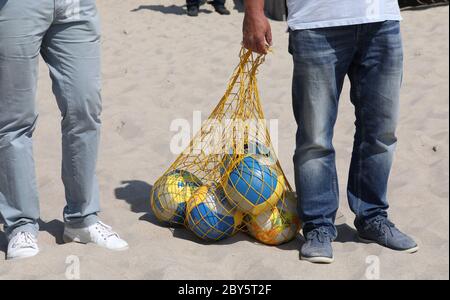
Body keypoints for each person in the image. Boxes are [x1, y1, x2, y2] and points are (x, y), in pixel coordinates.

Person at [242, 0, 418, 263]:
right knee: (315, 137)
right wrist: (254, 12)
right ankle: (319, 226)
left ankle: (372, 217)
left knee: (381, 132)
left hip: (382, 20)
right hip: (316, 22)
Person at [0, 0, 128, 260]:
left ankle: (81, 219)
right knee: (15, 118)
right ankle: (21, 225)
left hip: (76, 6)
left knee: (85, 107)